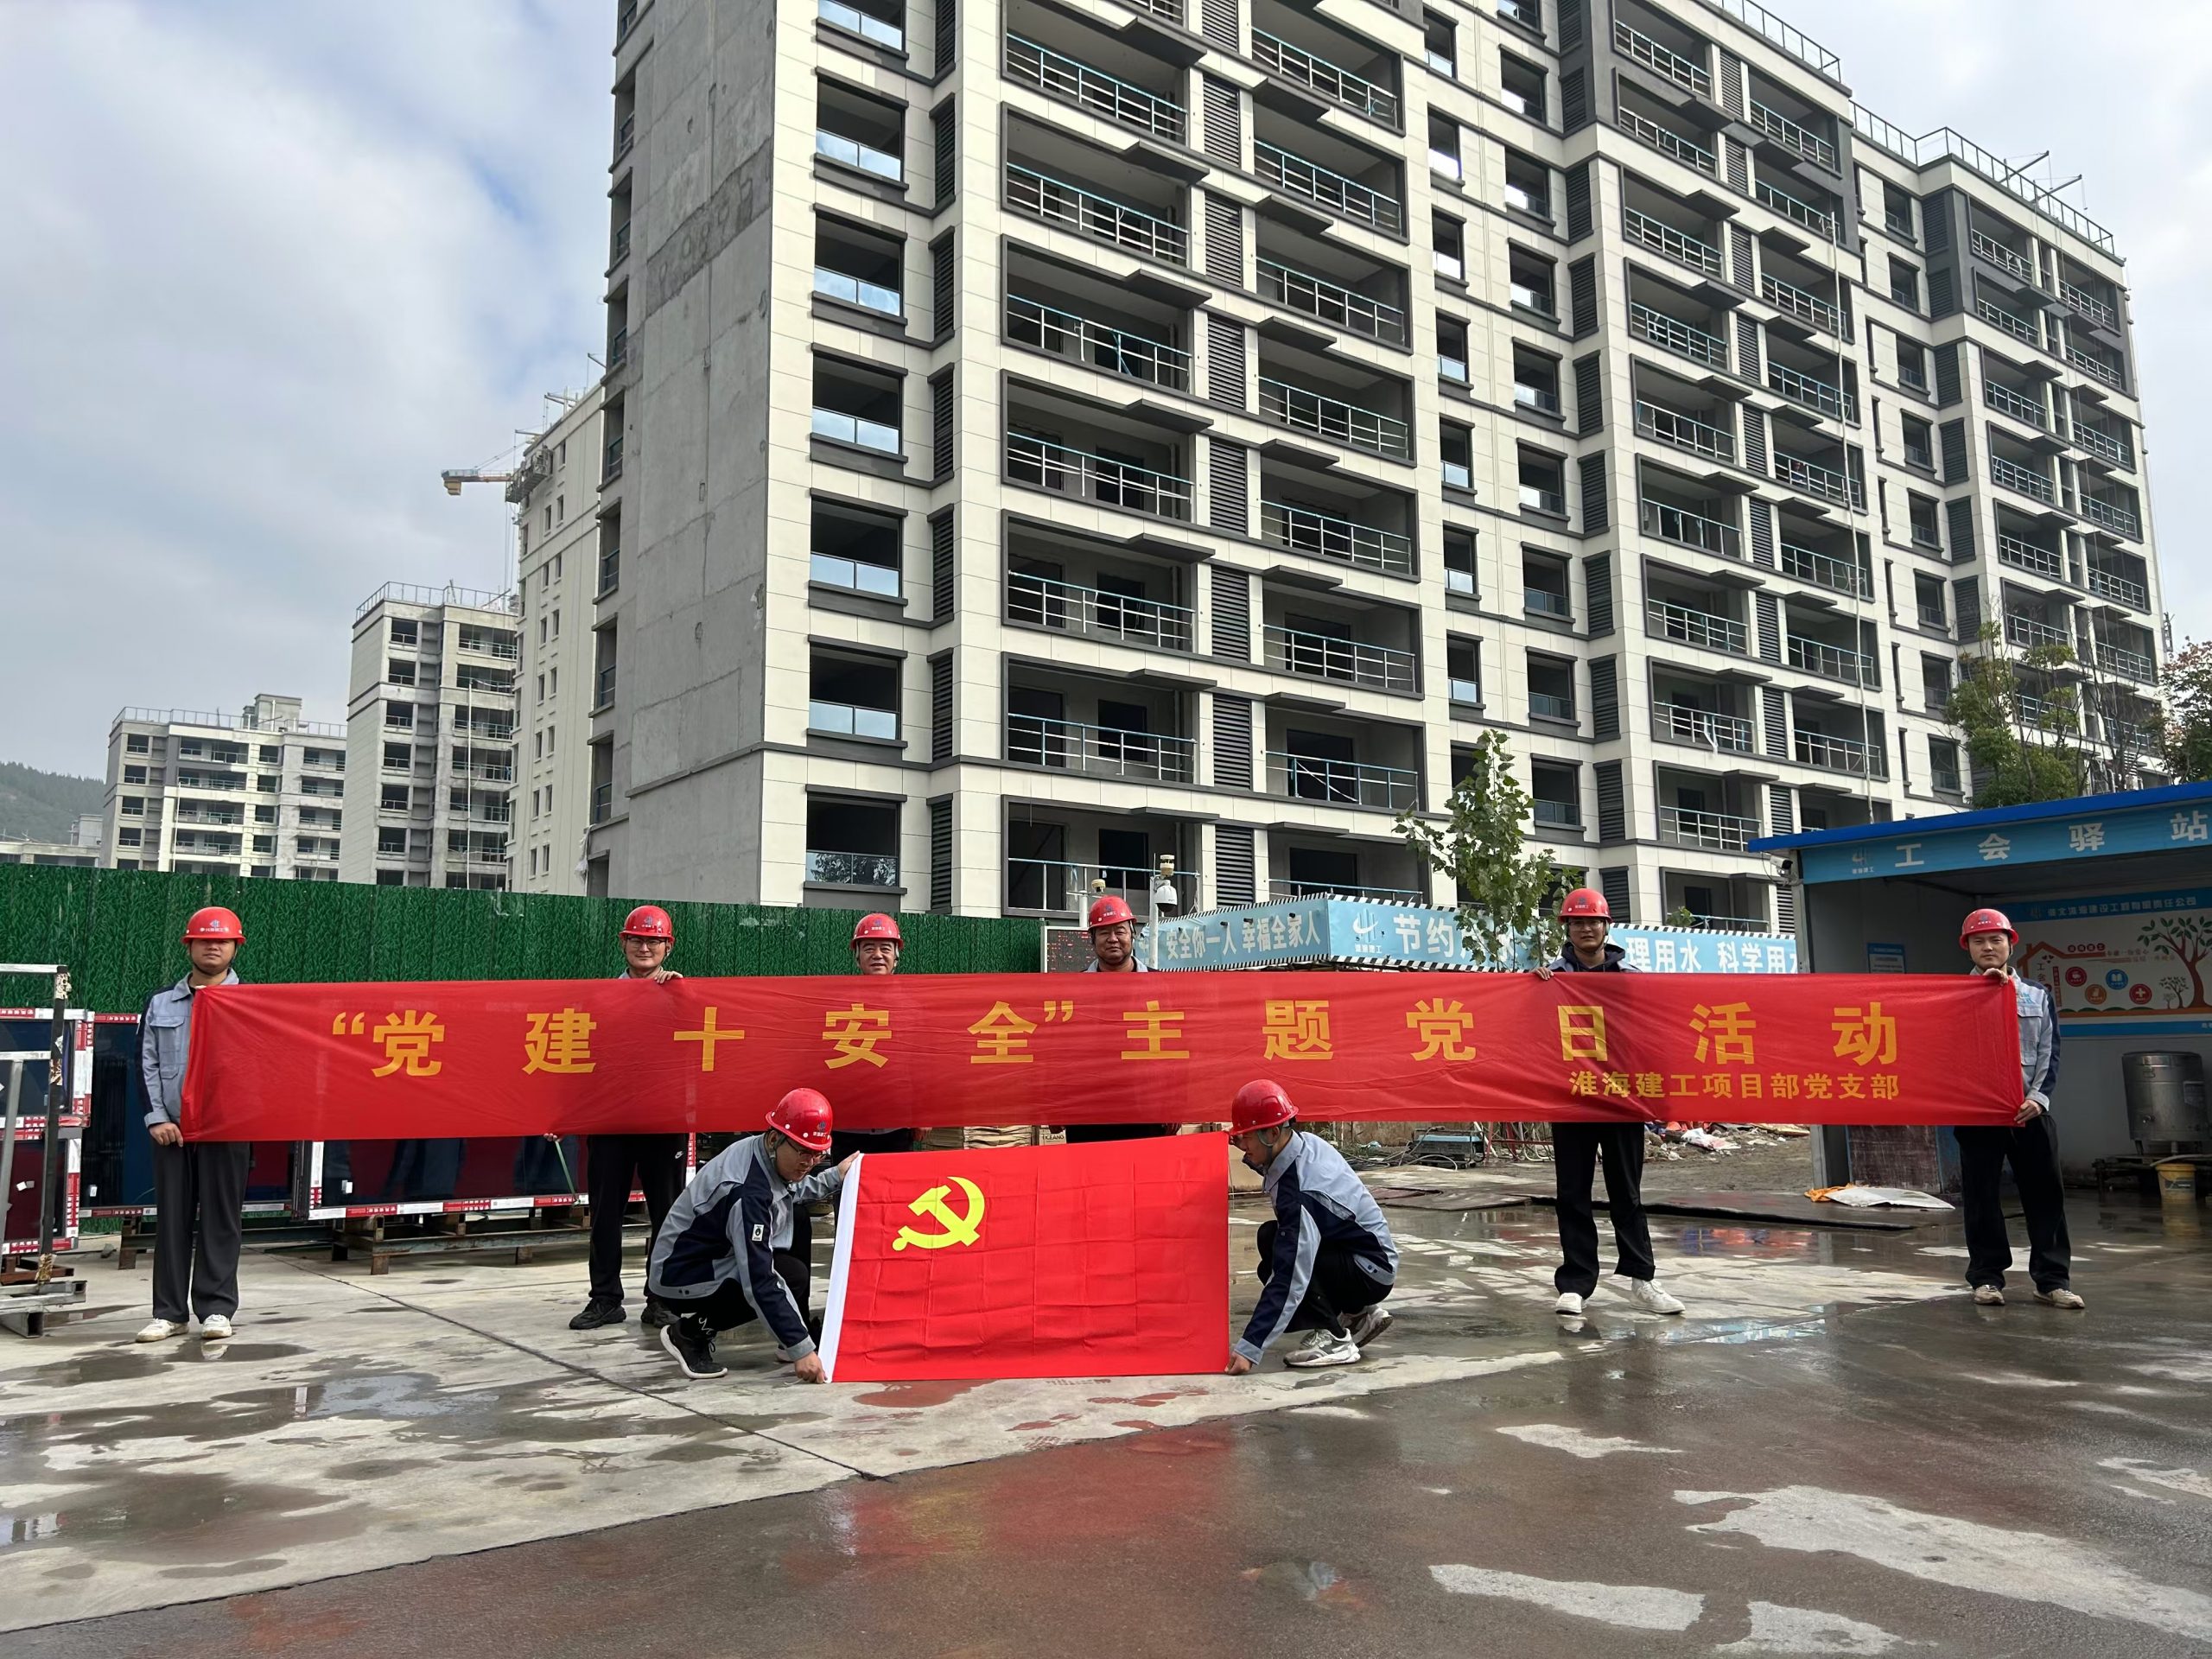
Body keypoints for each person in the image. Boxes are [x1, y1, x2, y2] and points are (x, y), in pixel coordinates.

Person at [1533, 887, 1685, 1319]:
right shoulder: (1550, 979)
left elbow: (1652, 1034)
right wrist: (1532, 988)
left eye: (1593, 922)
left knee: (1627, 1193)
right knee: (1572, 1194)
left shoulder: (1632, 978)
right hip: (1572, 1098)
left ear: (1606, 927)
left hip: (1621, 1098)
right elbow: (1533, 1033)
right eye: (1577, 922)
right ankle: (1576, 1284)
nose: (1586, 929)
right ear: (1567, 928)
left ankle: (1643, 1280)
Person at [649, 1088, 854, 1381]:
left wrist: (836, 1175)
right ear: (774, 1138)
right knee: (786, 1275)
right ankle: (689, 1334)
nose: (809, 1162)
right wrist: (802, 1350)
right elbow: (758, 1278)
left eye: (817, 1154)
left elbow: (789, 1192)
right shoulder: (747, 1193)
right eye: (802, 1151)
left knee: (797, 1219)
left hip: (713, 1254)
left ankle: (795, 1332)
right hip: (679, 1274)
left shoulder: (762, 1154)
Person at [567, 904, 690, 1332]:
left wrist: (680, 996)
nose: (645, 947)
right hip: (611, 1123)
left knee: (668, 1215)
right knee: (605, 1213)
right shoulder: (602, 999)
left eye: (654, 941)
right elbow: (580, 1059)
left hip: (663, 1122)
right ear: (623, 943)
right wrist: (563, 1114)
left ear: (668, 947)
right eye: (637, 939)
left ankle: (661, 1298)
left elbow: (702, 1050)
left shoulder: (682, 996)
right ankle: (605, 1299)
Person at [135, 906, 252, 1344]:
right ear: (189, 946)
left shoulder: (255, 1003)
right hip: (173, 1131)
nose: (213, 947)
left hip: (228, 1131)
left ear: (235, 947)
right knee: (172, 1221)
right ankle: (168, 1313)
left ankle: (217, 1309)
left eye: (222, 941)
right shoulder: (160, 1003)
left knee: (221, 1220)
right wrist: (157, 1119)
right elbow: (145, 1062)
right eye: (204, 940)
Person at [1225, 1079, 1398, 1372]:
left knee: (1281, 1261)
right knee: (1271, 1236)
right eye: (1238, 1138)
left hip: (1371, 1272)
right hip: (1365, 1257)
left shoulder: (1301, 1194)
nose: (1242, 1146)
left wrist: (1250, 1347)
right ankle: (1358, 1315)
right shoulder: (1305, 1144)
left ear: (1272, 1133)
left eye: (1246, 1138)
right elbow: (1274, 1166)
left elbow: (1291, 1276)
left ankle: (1336, 1338)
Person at [1956, 907, 2082, 1310]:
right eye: (1979, 941)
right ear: (1967, 948)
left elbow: (2049, 1051)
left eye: (1996, 940)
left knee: (2046, 1198)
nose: (1988, 947)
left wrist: (2038, 1098)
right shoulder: (1953, 997)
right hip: (1978, 1116)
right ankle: (1986, 1278)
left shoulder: (2037, 995)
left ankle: (2052, 1281)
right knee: (1981, 1199)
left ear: (2011, 944)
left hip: (2030, 1113)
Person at [1067, 894, 1174, 1144]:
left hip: (1147, 1112)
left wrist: (1175, 1103)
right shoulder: (1073, 989)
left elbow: (1176, 1047)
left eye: (1120, 931)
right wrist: (1056, 1107)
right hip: (1088, 1115)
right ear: (1092, 939)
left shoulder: (1161, 986)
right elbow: (1059, 1052)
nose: (1113, 939)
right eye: (1104, 932)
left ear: (1132, 934)